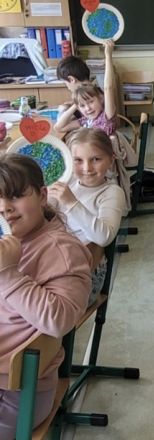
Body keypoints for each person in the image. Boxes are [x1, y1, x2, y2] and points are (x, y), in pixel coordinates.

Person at [0, 154, 91, 438]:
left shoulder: (61, 250)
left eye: (16, 196)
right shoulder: (7, 242)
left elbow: (60, 320)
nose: (5, 208)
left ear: (42, 196)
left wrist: (8, 274)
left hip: (18, 395)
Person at [48, 129, 125, 306]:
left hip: (87, 274)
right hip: (55, 264)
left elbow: (104, 237)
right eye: (78, 160)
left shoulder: (111, 192)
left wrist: (71, 202)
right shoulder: (67, 182)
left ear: (111, 160)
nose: (87, 168)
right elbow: (45, 215)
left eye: (96, 159)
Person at [55, 40, 117, 135]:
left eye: (91, 101)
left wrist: (108, 55)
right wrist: (77, 103)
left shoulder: (105, 118)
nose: (87, 108)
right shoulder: (86, 120)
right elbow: (58, 127)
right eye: (83, 105)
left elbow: (108, 87)